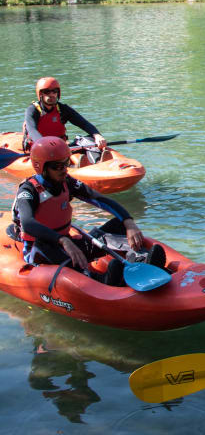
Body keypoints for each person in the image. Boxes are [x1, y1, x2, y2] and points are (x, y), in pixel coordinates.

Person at [10, 136, 165, 285]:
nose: (64, 170)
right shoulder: (29, 191)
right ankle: (101, 280)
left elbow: (100, 200)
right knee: (48, 248)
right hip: (40, 249)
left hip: (65, 241)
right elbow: (28, 223)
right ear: (40, 166)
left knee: (119, 223)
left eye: (66, 163)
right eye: (57, 166)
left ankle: (139, 257)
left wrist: (128, 221)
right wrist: (62, 240)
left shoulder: (66, 182)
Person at [23, 77, 107, 155]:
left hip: (60, 147)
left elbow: (83, 123)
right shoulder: (33, 110)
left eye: (54, 91)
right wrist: (45, 145)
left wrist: (97, 135)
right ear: (40, 94)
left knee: (89, 140)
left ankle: (97, 161)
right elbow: (32, 130)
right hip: (40, 148)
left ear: (58, 93)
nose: (51, 94)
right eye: (47, 92)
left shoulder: (62, 109)